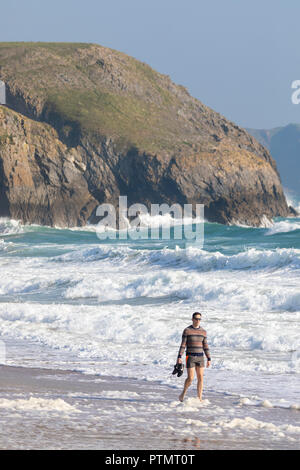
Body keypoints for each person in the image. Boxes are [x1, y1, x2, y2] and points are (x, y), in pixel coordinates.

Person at [177, 312, 211, 402]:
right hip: (190, 356)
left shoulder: (203, 331)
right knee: (191, 378)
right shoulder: (187, 330)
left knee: (200, 378)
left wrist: (209, 358)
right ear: (192, 319)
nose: (198, 320)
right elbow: (183, 345)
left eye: (199, 319)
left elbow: (205, 346)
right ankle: (183, 393)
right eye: (196, 319)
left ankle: (199, 398)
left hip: (200, 357)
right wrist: (179, 357)